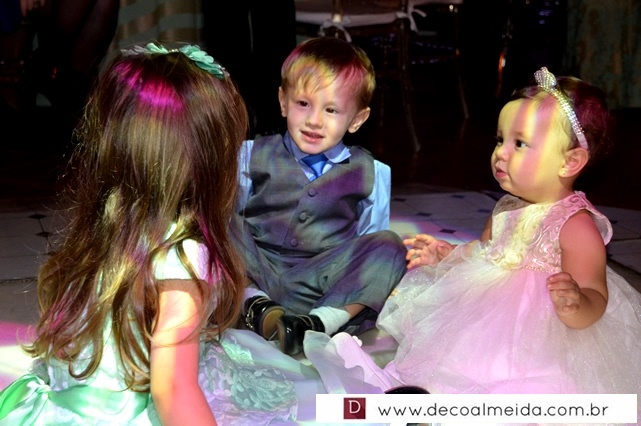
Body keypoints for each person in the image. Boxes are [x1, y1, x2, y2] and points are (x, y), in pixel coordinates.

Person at [0, 42, 338, 425]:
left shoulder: (116, 210)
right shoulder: (185, 257)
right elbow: (173, 389)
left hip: (69, 393)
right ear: (210, 164)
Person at [305, 67, 641, 409]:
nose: (501, 153)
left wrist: (576, 304)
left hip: (539, 337)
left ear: (570, 162)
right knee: (453, 365)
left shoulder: (576, 225)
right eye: (500, 140)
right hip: (485, 322)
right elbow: (487, 252)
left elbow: (595, 294)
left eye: (520, 144)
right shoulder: (506, 206)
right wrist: (450, 255)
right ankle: (429, 400)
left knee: (522, 384)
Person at [233, 36, 407, 356]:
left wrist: (364, 273)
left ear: (357, 119)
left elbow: (368, 241)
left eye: (331, 110)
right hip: (254, 271)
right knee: (214, 217)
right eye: (303, 104)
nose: (314, 120)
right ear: (283, 101)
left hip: (319, 283)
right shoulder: (250, 154)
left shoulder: (372, 172)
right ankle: (255, 306)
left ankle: (317, 323)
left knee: (388, 245)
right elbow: (234, 219)